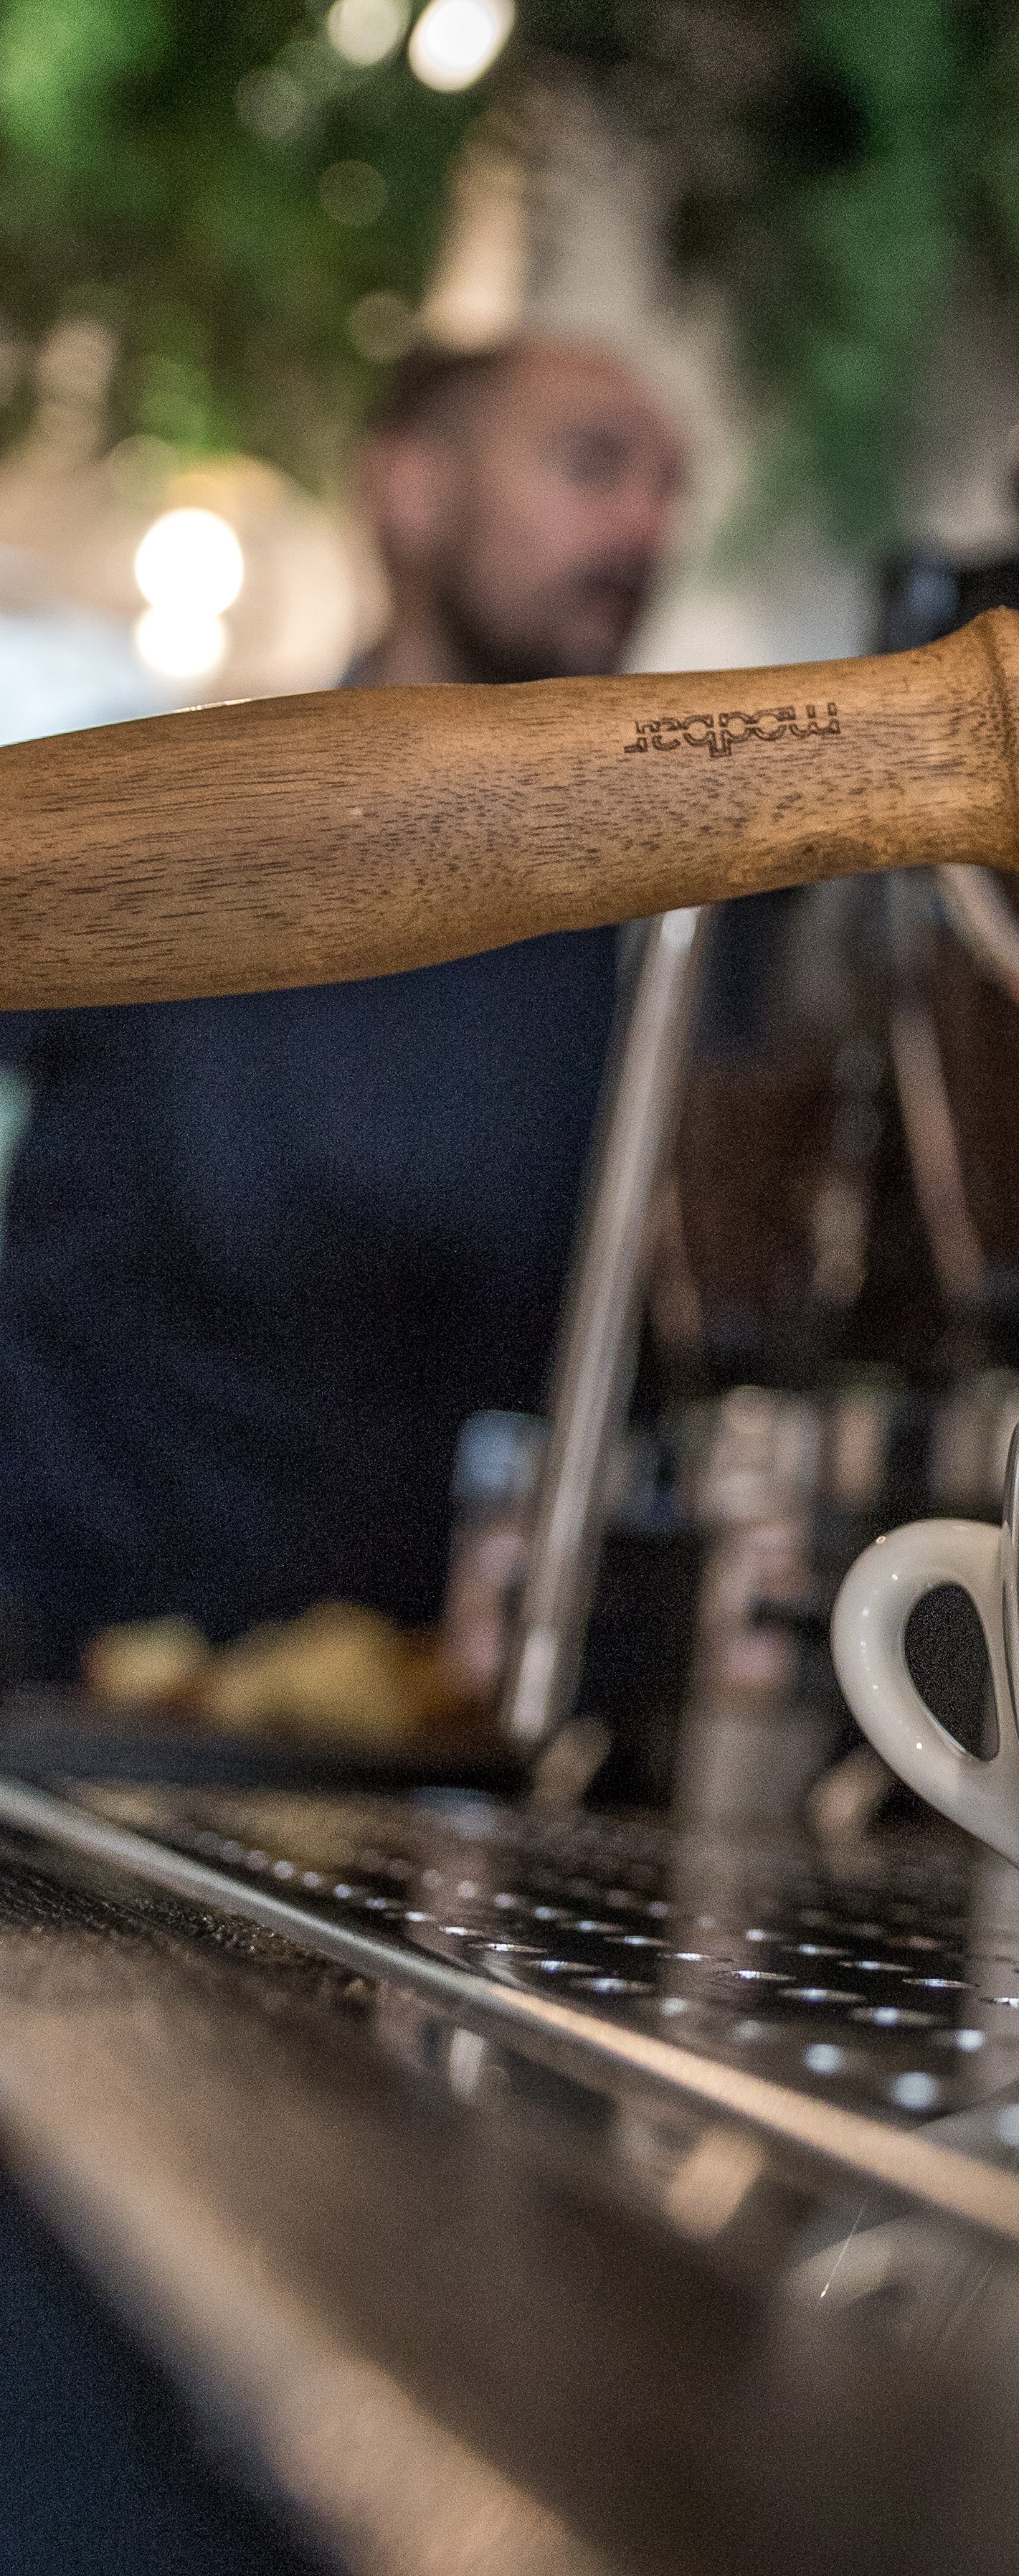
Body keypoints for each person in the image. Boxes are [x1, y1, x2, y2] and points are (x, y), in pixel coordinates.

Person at [0, 337, 686, 1681]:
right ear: (410, 490)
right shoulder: (174, 824)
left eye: (670, 489)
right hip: (68, 1705)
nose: (644, 527)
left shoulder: (655, 941)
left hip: (443, 1739)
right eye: (591, 464)